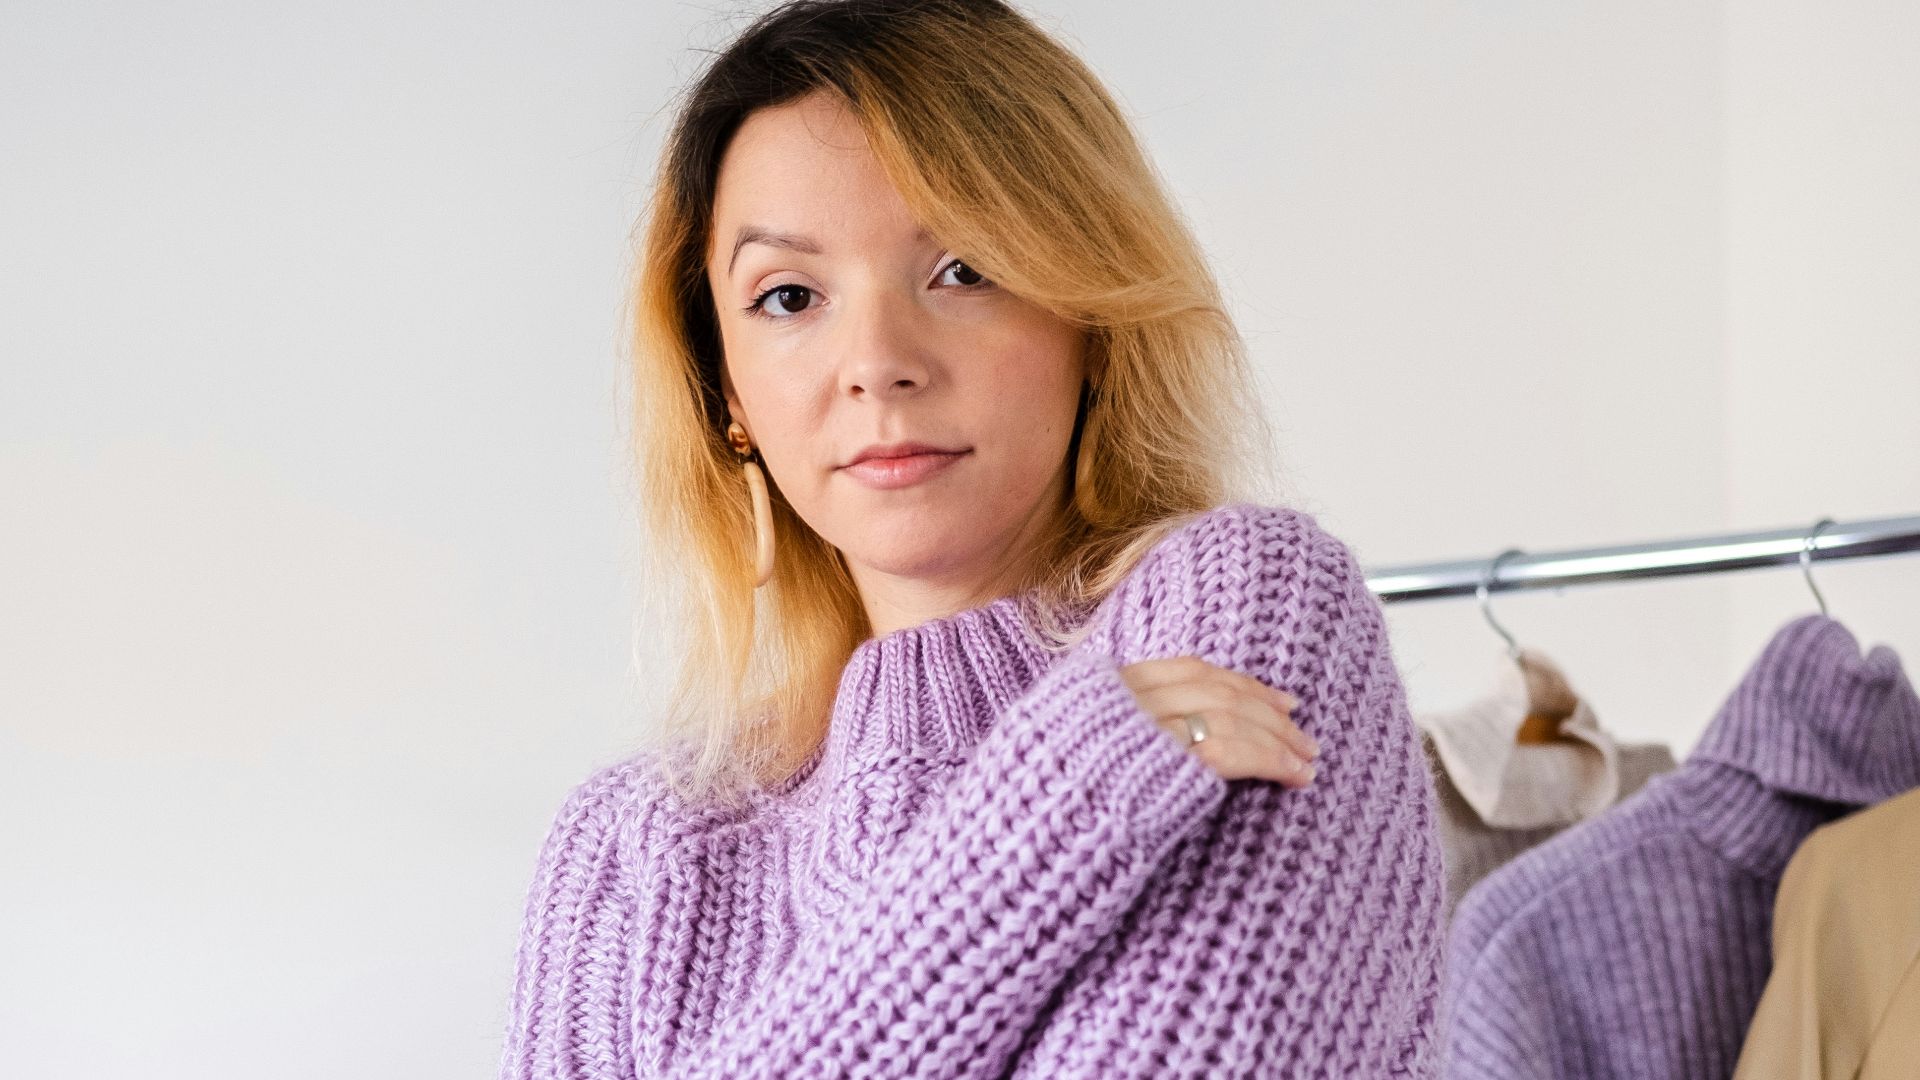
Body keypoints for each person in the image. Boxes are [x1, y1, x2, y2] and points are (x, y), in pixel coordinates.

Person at [497, 1, 1444, 1076]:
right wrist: (1036, 831)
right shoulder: (635, 850)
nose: (878, 361)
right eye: (790, 295)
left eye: (964, 269)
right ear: (725, 390)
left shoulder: (1241, 620)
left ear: (1090, 315)